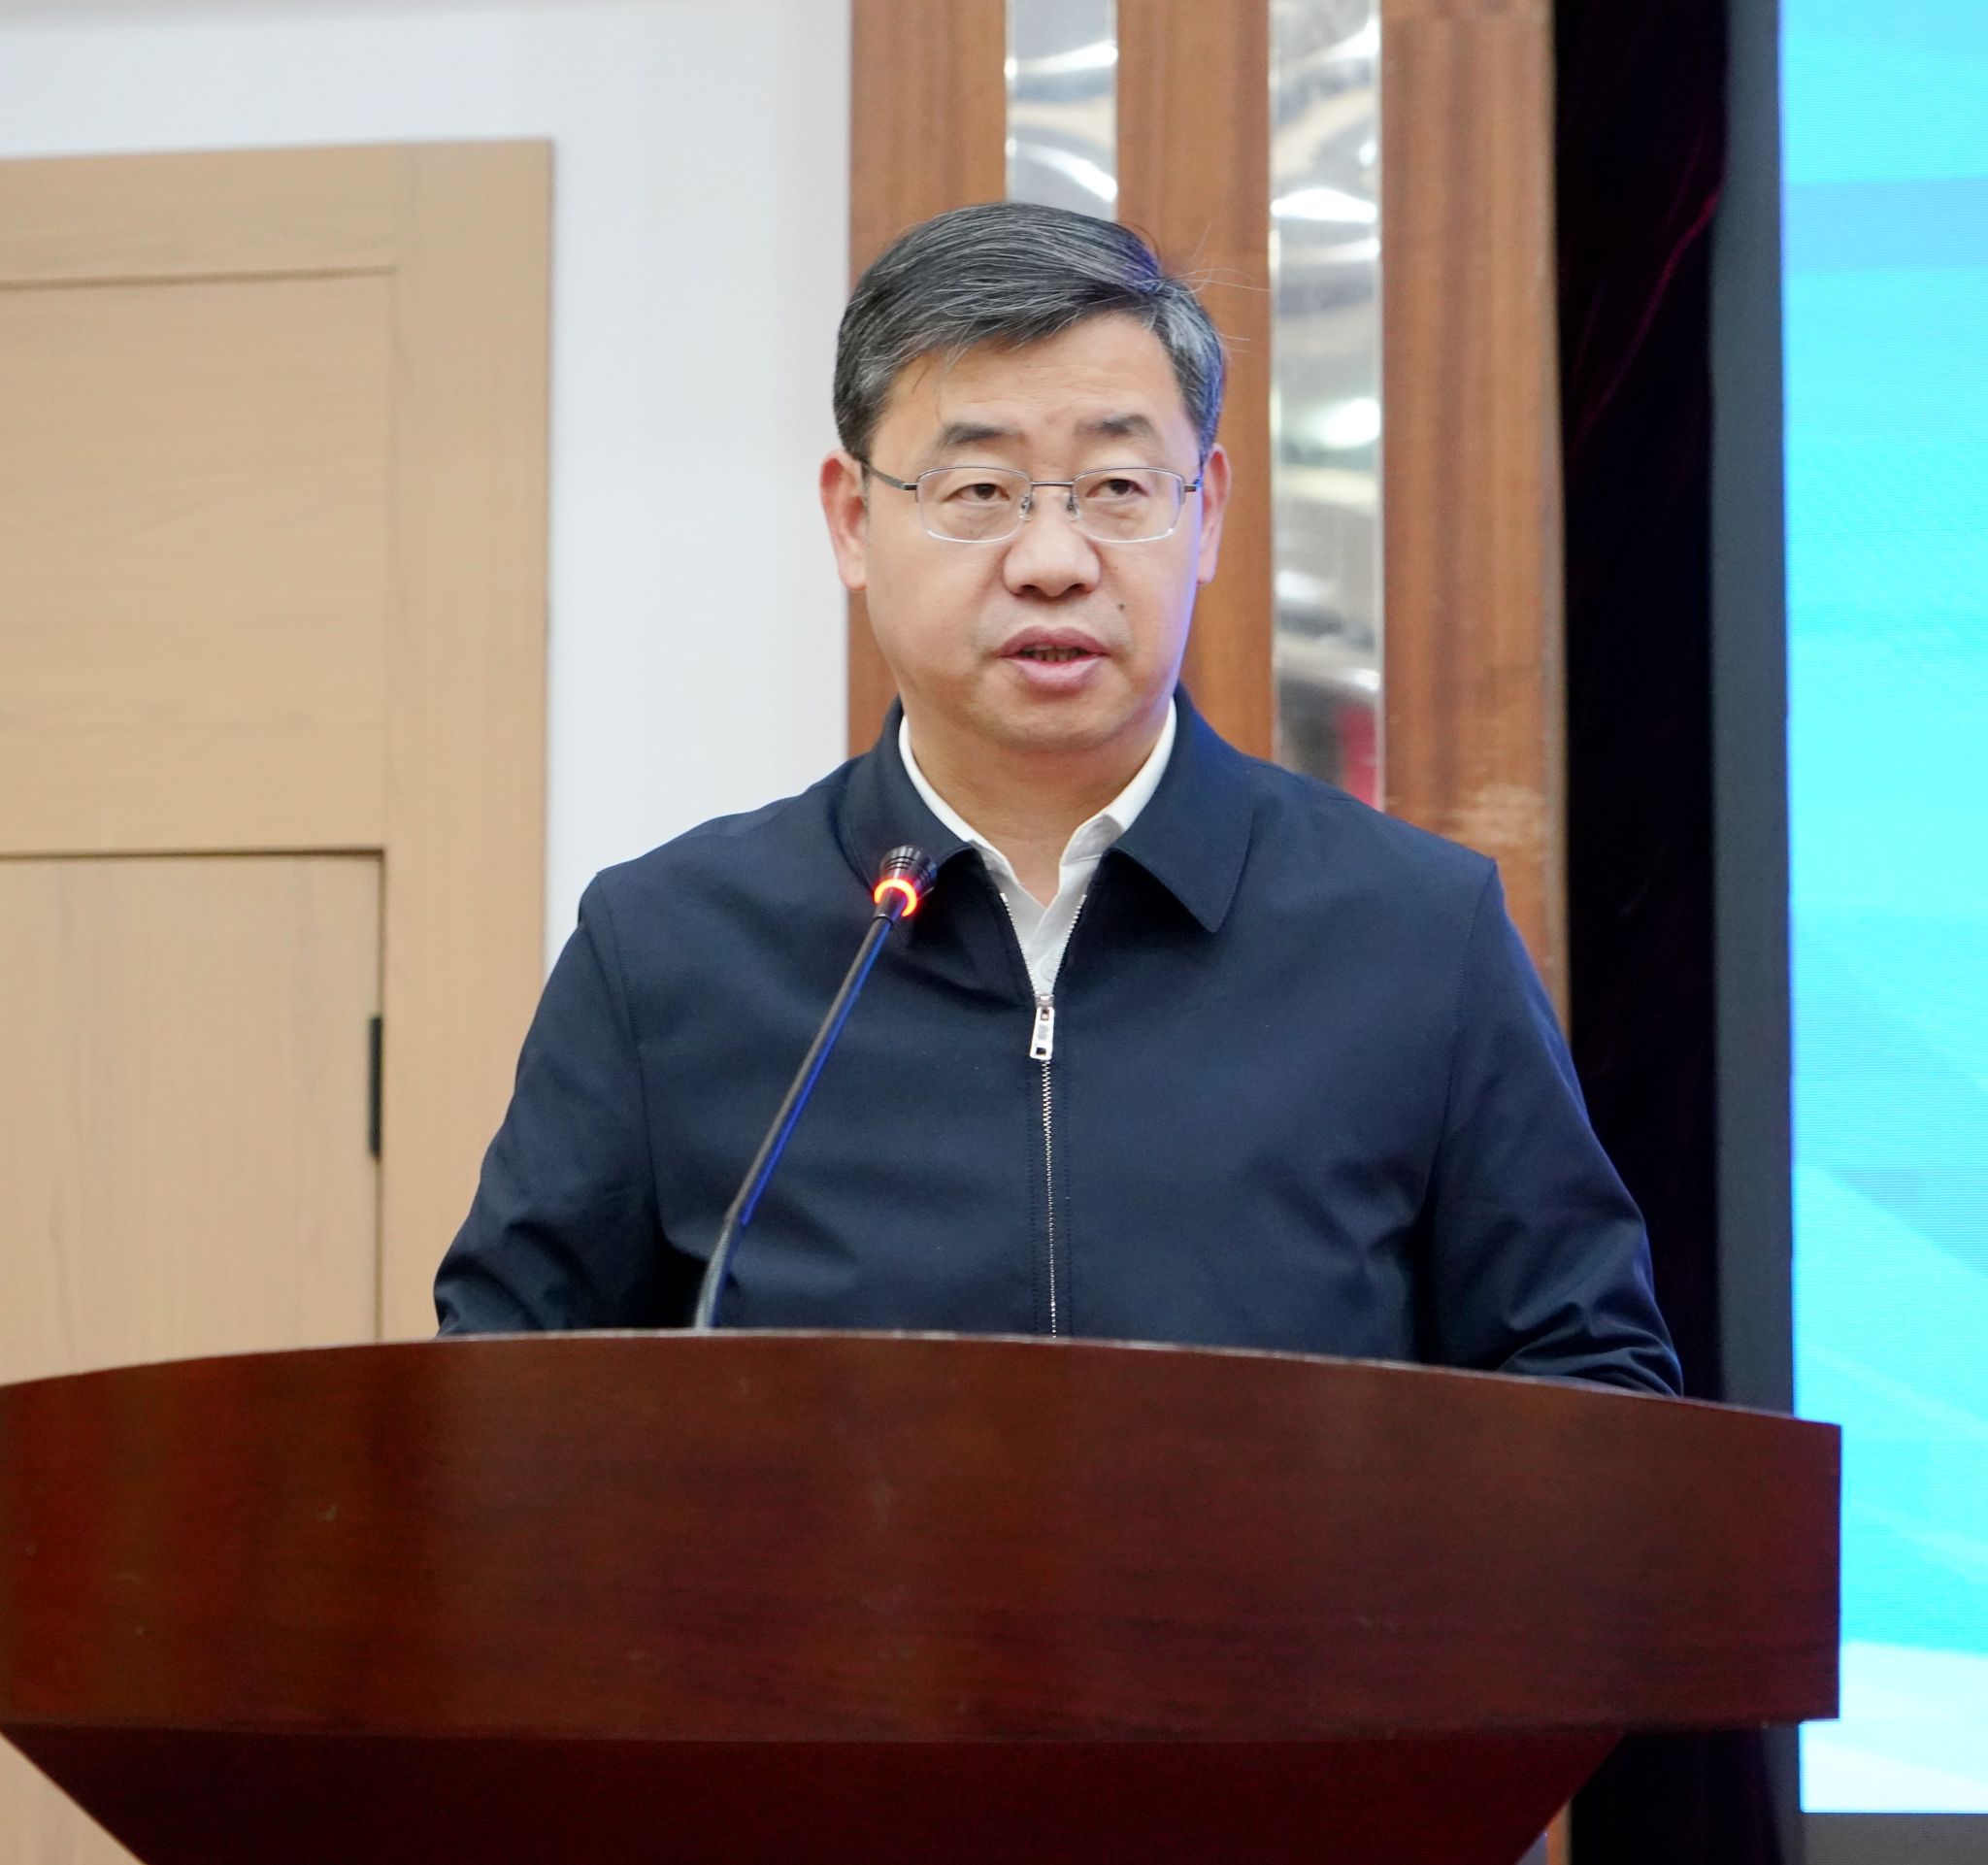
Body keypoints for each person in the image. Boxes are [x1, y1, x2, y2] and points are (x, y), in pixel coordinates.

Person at [434, 201, 1680, 1395]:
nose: (1051, 561)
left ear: (1205, 514)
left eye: (1117, 488)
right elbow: (503, 1408)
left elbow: (1587, 1390)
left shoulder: (1413, 935)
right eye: (978, 492)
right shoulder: (666, 951)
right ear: (852, 521)